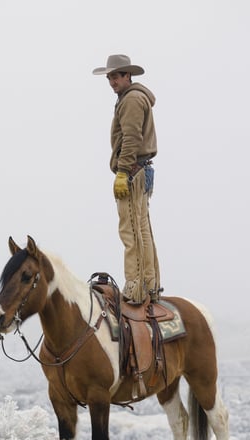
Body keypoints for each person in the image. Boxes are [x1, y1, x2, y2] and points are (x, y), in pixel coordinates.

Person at [92, 54, 161, 305]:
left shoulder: (131, 100)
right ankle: (150, 284)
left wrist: (122, 171)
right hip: (140, 169)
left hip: (133, 171)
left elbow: (131, 138)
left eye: (116, 76)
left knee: (130, 231)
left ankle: (136, 287)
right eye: (110, 77)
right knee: (142, 230)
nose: (112, 81)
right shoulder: (133, 97)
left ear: (127, 76)